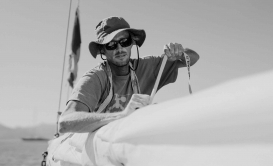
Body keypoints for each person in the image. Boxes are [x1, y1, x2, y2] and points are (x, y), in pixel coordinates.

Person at [58, 16, 199, 133]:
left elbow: (193, 58)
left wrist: (179, 52)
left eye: (124, 42)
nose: (120, 49)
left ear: (132, 43)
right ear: (102, 51)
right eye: (111, 45)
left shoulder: (147, 67)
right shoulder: (95, 78)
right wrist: (122, 116)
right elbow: (65, 122)